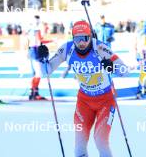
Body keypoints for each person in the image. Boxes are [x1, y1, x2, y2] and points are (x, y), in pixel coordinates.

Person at [37, 20, 128, 156]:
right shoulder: (67, 49)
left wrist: (112, 66)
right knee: (79, 142)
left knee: (100, 140)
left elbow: (124, 70)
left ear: (90, 36)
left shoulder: (100, 48)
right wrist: (42, 59)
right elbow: (46, 71)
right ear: (73, 38)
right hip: (84, 101)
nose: (81, 43)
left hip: (105, 101)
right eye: (77, 39)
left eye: (85, 38)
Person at [26, 15, 51, 100]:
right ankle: (34, 93)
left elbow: (32, 41)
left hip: (32, 51)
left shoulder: (31, 29)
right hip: (35, 51)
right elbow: (40, 40)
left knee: (35, 73)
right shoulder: (36, 29)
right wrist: (52, 40)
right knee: (38, 73)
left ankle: (33, 92)